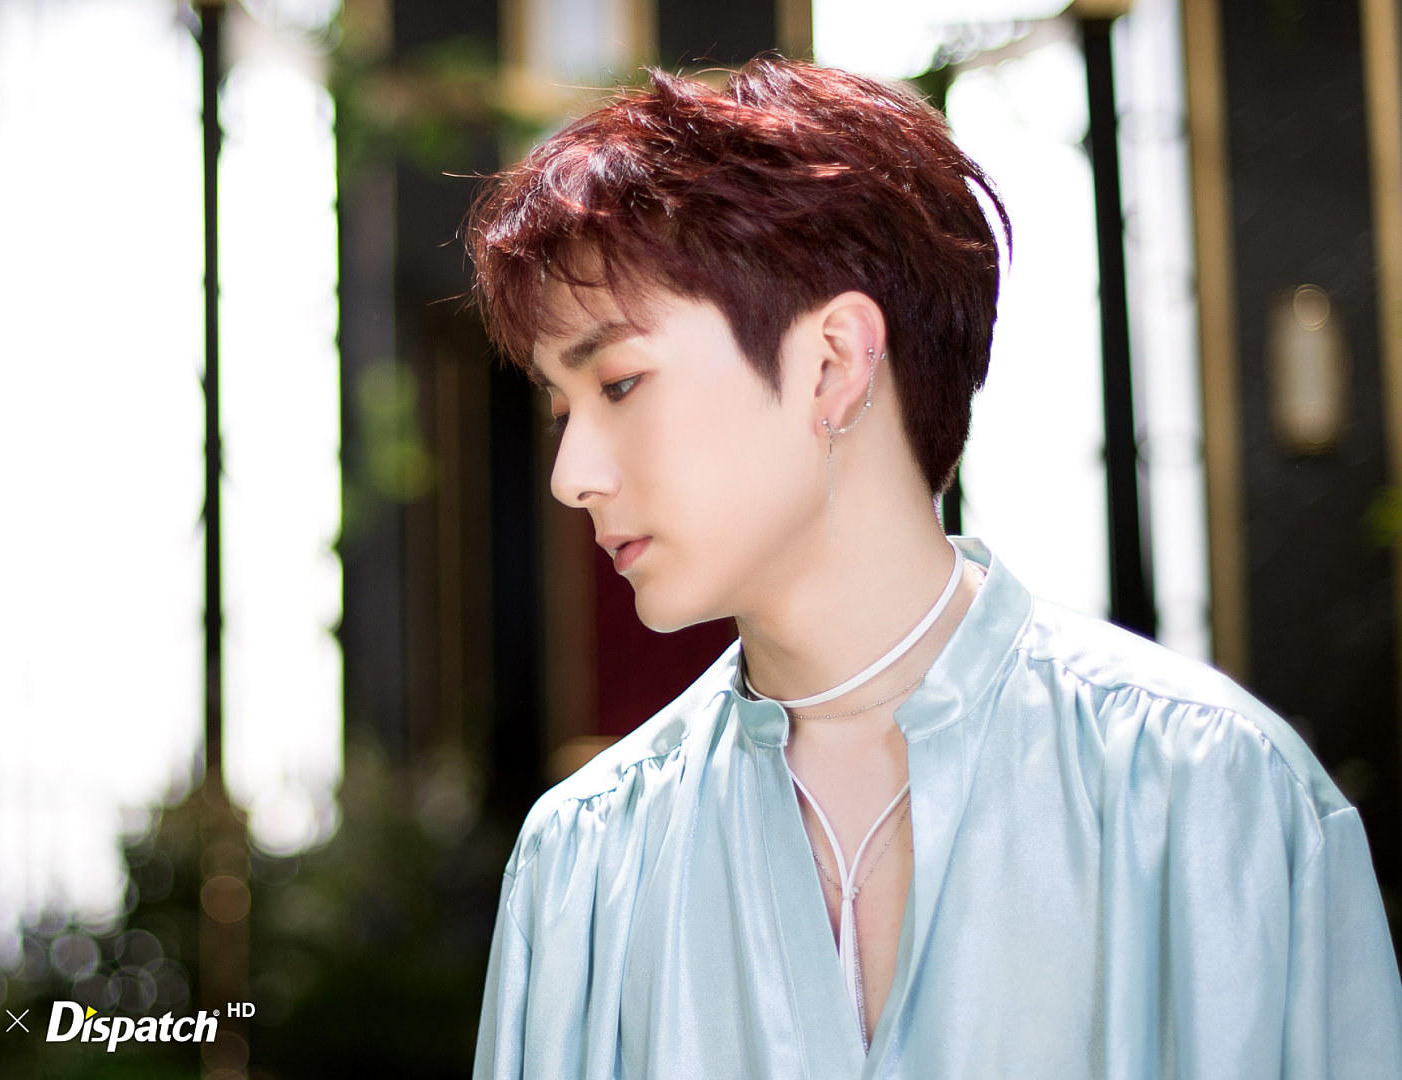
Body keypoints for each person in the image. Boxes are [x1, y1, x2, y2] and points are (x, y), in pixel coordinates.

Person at [463, 57, 1402, 1079]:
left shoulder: (1215, 795)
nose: (571, 476)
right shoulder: (584, 861)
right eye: (560, 411)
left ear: (833, 363)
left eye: (618, 383)